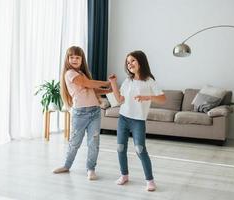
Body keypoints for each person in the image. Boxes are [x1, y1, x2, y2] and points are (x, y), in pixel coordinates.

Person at [108, 50, 166, 191]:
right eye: (128, 62)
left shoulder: (149, 81)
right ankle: (124, 175)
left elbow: (163, 99)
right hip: (123, 118)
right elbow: (119, 100)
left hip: (138, 121)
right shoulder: (128, 81)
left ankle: (150, 180)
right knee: (120, 148)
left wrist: (148, 97)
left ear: (141, 61)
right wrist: (113, 83)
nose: (130, 64)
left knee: (140, 149)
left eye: (133, 60)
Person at [53, 46, 111, 180]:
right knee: (75, 142)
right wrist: (106, 83)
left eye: (77, 57)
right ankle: (67, 165)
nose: (74, 59)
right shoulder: (70, 73)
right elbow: (87, 84)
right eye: (72, 57)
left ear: (81, 60)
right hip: (80, 113)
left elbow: (91, 90)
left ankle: (91, 169)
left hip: (95, 111)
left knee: (94, 142)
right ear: (67, 59)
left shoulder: (82, 73)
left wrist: (109, 91)